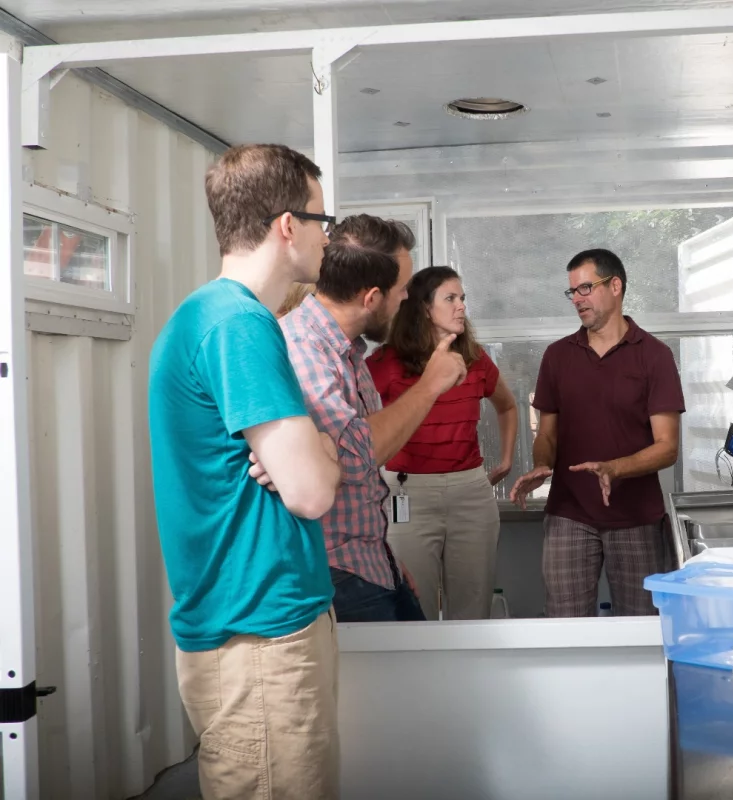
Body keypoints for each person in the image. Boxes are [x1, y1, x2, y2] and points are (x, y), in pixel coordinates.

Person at [148, 143, 344, 797]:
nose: (326, 236)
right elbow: (311, 491)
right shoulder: (237, 326)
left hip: (258, 630)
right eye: (321, 219)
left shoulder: (214, 315)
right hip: (260, 637)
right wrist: (323, 453)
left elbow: (298, 469)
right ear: (288, 225)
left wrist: (315, 446)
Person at [280, 215, 468, 623]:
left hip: (369, 564)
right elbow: (353, 459)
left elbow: (364, 472)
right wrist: (429, 385)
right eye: (402, 290)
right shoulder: (304, 349)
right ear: (371, 298)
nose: (407, 299)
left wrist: (386, 559)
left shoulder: (348, 350)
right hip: (337, 574)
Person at [509, 248, 686, 617]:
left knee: (641, 626)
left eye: (585, 288)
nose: (577, 299)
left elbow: (667, 447)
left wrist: (614, 468)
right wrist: (542, 464)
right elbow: (547, 434)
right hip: (569, 514)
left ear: (615, 286)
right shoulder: (557, 356)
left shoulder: (654, 355)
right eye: (572, 291)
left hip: (637, 517)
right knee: (566, 626)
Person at [366, 266, 519, 621]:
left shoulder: (475, 358)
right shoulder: (384, 363)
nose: (461, 306)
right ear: (424, 308)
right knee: (413, 606)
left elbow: (508, 406)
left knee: (474, 607)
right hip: (408, 493)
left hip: (471, 493)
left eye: (462, 298)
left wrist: (507, 459)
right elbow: (360, 428)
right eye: (450, 298)